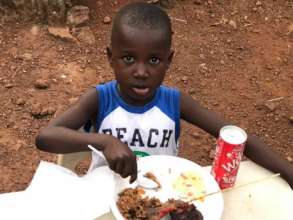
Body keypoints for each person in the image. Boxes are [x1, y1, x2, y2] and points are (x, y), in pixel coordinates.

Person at [35, 2, 293, 188]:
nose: (141, 71)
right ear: (110, 58)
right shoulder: (100, 98)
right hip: (103, 195)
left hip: (162, 195)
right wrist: (104, 142)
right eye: (128, 58)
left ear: (169, 61)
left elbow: (237, 138)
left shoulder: (175, 102)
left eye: (154, 60)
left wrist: (289, 174)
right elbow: (45, 137)